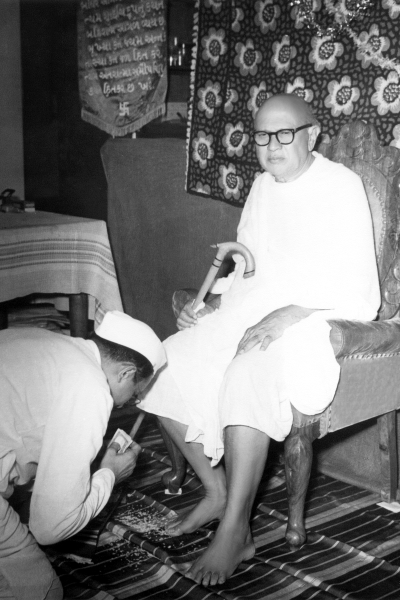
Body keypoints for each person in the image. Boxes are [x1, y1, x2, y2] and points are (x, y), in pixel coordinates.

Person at [139, 93, 381, 586]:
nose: (272, 146)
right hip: (256, 309)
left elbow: (361, 288)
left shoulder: (342, 185)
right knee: (166, 360)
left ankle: (236, 530)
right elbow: (250, 266)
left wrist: (289, 313)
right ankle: (218, 492)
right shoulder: (262, 186)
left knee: (247, 370)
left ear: (312, 135)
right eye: (263, 136)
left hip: (316, 315)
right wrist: (212, 305)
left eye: (284, 134)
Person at [0, 310, 166, 600]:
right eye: (135, 394)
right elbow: (50, 528)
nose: (130, 402)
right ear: (126, 373)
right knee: (45, 591)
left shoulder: (44, 339)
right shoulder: (91, 387)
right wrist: (110, 474)